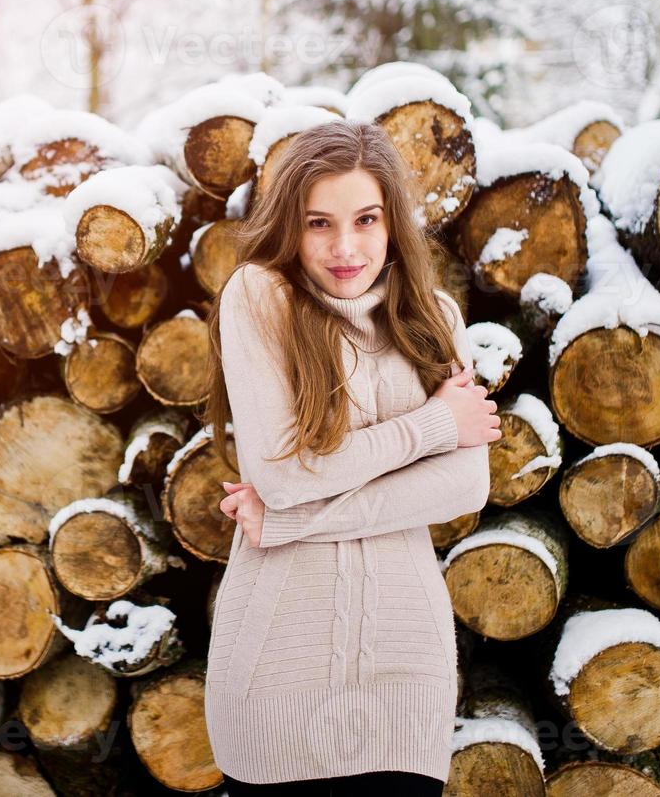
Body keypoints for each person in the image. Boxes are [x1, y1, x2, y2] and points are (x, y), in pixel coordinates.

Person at [201, 119, 501, 795]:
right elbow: (279, 474)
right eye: (318, 224)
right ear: (289, 227)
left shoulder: (433, 318)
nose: (344, 247)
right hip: (274, 675)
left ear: (391, 222)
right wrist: (431, 425)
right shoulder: (260, 299)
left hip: (406, 673)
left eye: (365, 219)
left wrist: (291, 520)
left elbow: (464, 484)